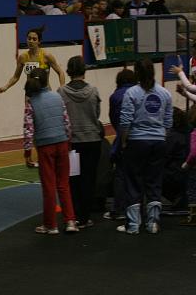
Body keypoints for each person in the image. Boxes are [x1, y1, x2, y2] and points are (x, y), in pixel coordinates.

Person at [119, 58, 173, 234]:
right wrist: (161, 138)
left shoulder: (131, 93)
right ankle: (153, 223)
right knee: (154, 182)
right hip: (158, 142)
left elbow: (125, 121)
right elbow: (168, 122)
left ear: (137, 73)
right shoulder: (165, 93)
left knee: (133, 181)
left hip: (136, 141)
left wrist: (124, 141)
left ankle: (134, 225)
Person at [0, 27, 66, 167]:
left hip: (45, 93)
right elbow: (16, 76)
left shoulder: (47, 56)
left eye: (34, 39)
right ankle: (34, 156)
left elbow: (60, 72)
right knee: (31, 127)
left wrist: (62, 87)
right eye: (29, 38)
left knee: (46, 124)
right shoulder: (23, 57)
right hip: (30, 96)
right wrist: (6, 86)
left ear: (39, 41)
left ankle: (50, 153)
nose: (31, 41)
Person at [23, 68, 78, 234]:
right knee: (64, 184)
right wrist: (68, 141)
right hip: (62, 142)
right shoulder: (57, 97)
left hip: (45, 147)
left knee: (49, 186)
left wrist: (27, 152)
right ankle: (70, 221)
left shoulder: (31, 102)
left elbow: (28, 130)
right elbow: (66, 122)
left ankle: (50, 224)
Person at [58, 56, 103, 228]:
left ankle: (73, 215)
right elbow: (97, 114)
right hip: (92, 140)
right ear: (84, 70)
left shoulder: (61, 92)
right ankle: (84, 217)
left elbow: (61, 116)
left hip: (72, 143)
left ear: (69, 71)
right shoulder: (93, 91)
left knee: (72, 180)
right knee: (89, 179)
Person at [104, 68, 136, 221]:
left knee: (121, 175)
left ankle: (119, 209)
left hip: (123, 139)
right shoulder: (140, 92)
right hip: (139, 138)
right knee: (138, 174)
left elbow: (114, 119)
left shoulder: (115, 96)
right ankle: (137, 207)